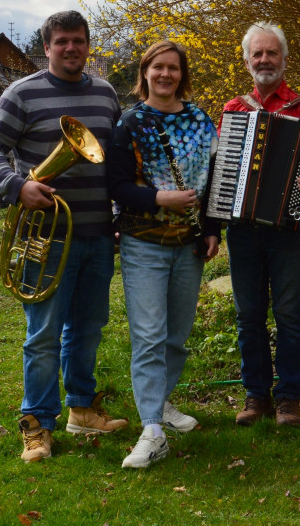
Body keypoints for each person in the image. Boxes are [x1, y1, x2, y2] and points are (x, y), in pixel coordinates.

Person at [0, 10, 126, 462]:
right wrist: (17, 185)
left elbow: (115, 162)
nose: (71, 48)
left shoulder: (105, 93)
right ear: (47, 47)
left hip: (99, 234)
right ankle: (37, 424)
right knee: (41, 335)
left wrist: (119, 213)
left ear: (87, 44)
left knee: (88, 328)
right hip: (47, 238)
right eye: (61, 41)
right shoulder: (20, 93)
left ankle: (82, 408)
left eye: (78, 40)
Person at [106, 40, 221, 469]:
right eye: (158, 68)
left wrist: (213, 231)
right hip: (144, 244)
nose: (166, 75)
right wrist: (160, 197)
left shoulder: (199, 120)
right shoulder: (129, 123)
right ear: (145, 72)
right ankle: (152, 430)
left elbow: (215, 182)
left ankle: (162, 402)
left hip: (189, 246)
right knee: (149, 336)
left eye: (173, 68)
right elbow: (116, 187)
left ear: (182, 74)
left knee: (177, 336)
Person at [221, 22, 300, 427]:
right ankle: (256, 397)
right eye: (258, 54)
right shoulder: (234, 110)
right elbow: (222, 170)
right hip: (244, 229)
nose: (264, 60)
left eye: (272, 53)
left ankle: (289, 398)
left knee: (289, 313)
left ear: (284, 60)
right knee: (248, 315)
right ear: (247, 60)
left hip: (289, 229)